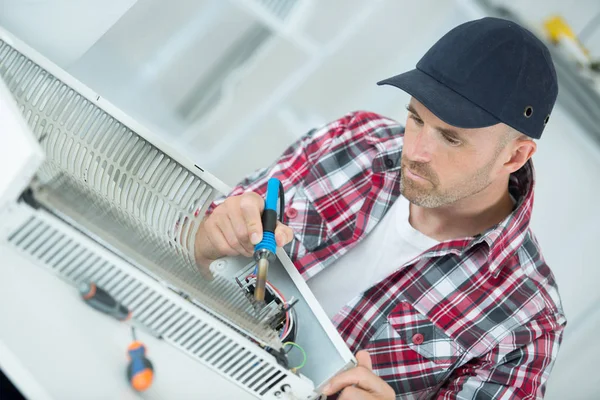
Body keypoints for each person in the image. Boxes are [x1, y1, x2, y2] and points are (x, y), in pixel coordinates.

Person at [194, 17, 566, 399]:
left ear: (515, 155)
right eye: (416, 118)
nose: (417, 152)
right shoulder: (351, 141)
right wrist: (205, 237)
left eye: (451, 139)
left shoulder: (528, 320)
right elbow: (188, 239)